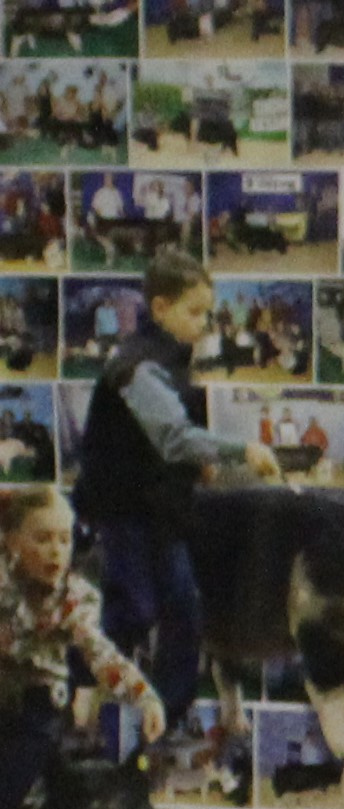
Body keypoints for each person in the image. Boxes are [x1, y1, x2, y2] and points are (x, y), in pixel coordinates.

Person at [70, 251, 280, 726]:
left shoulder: (168, 360)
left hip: (161, 509)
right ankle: (81, 682)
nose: (204, 323)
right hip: (122, 509)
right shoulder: (138, 367)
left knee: (184, 606)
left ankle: (168, 711)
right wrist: (240, 451)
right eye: (195, 312)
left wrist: (196, 469)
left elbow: (169, 434)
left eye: (207, 312)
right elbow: (173, 437)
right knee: (137, 606)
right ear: (160, 308)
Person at [0, 486, 164, 809]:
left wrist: (144, 697)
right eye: (43, 539)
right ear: (13, 541)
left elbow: (100, 654)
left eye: (64, 539)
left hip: (35, 712)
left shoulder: (75, 597)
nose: (55, 552)